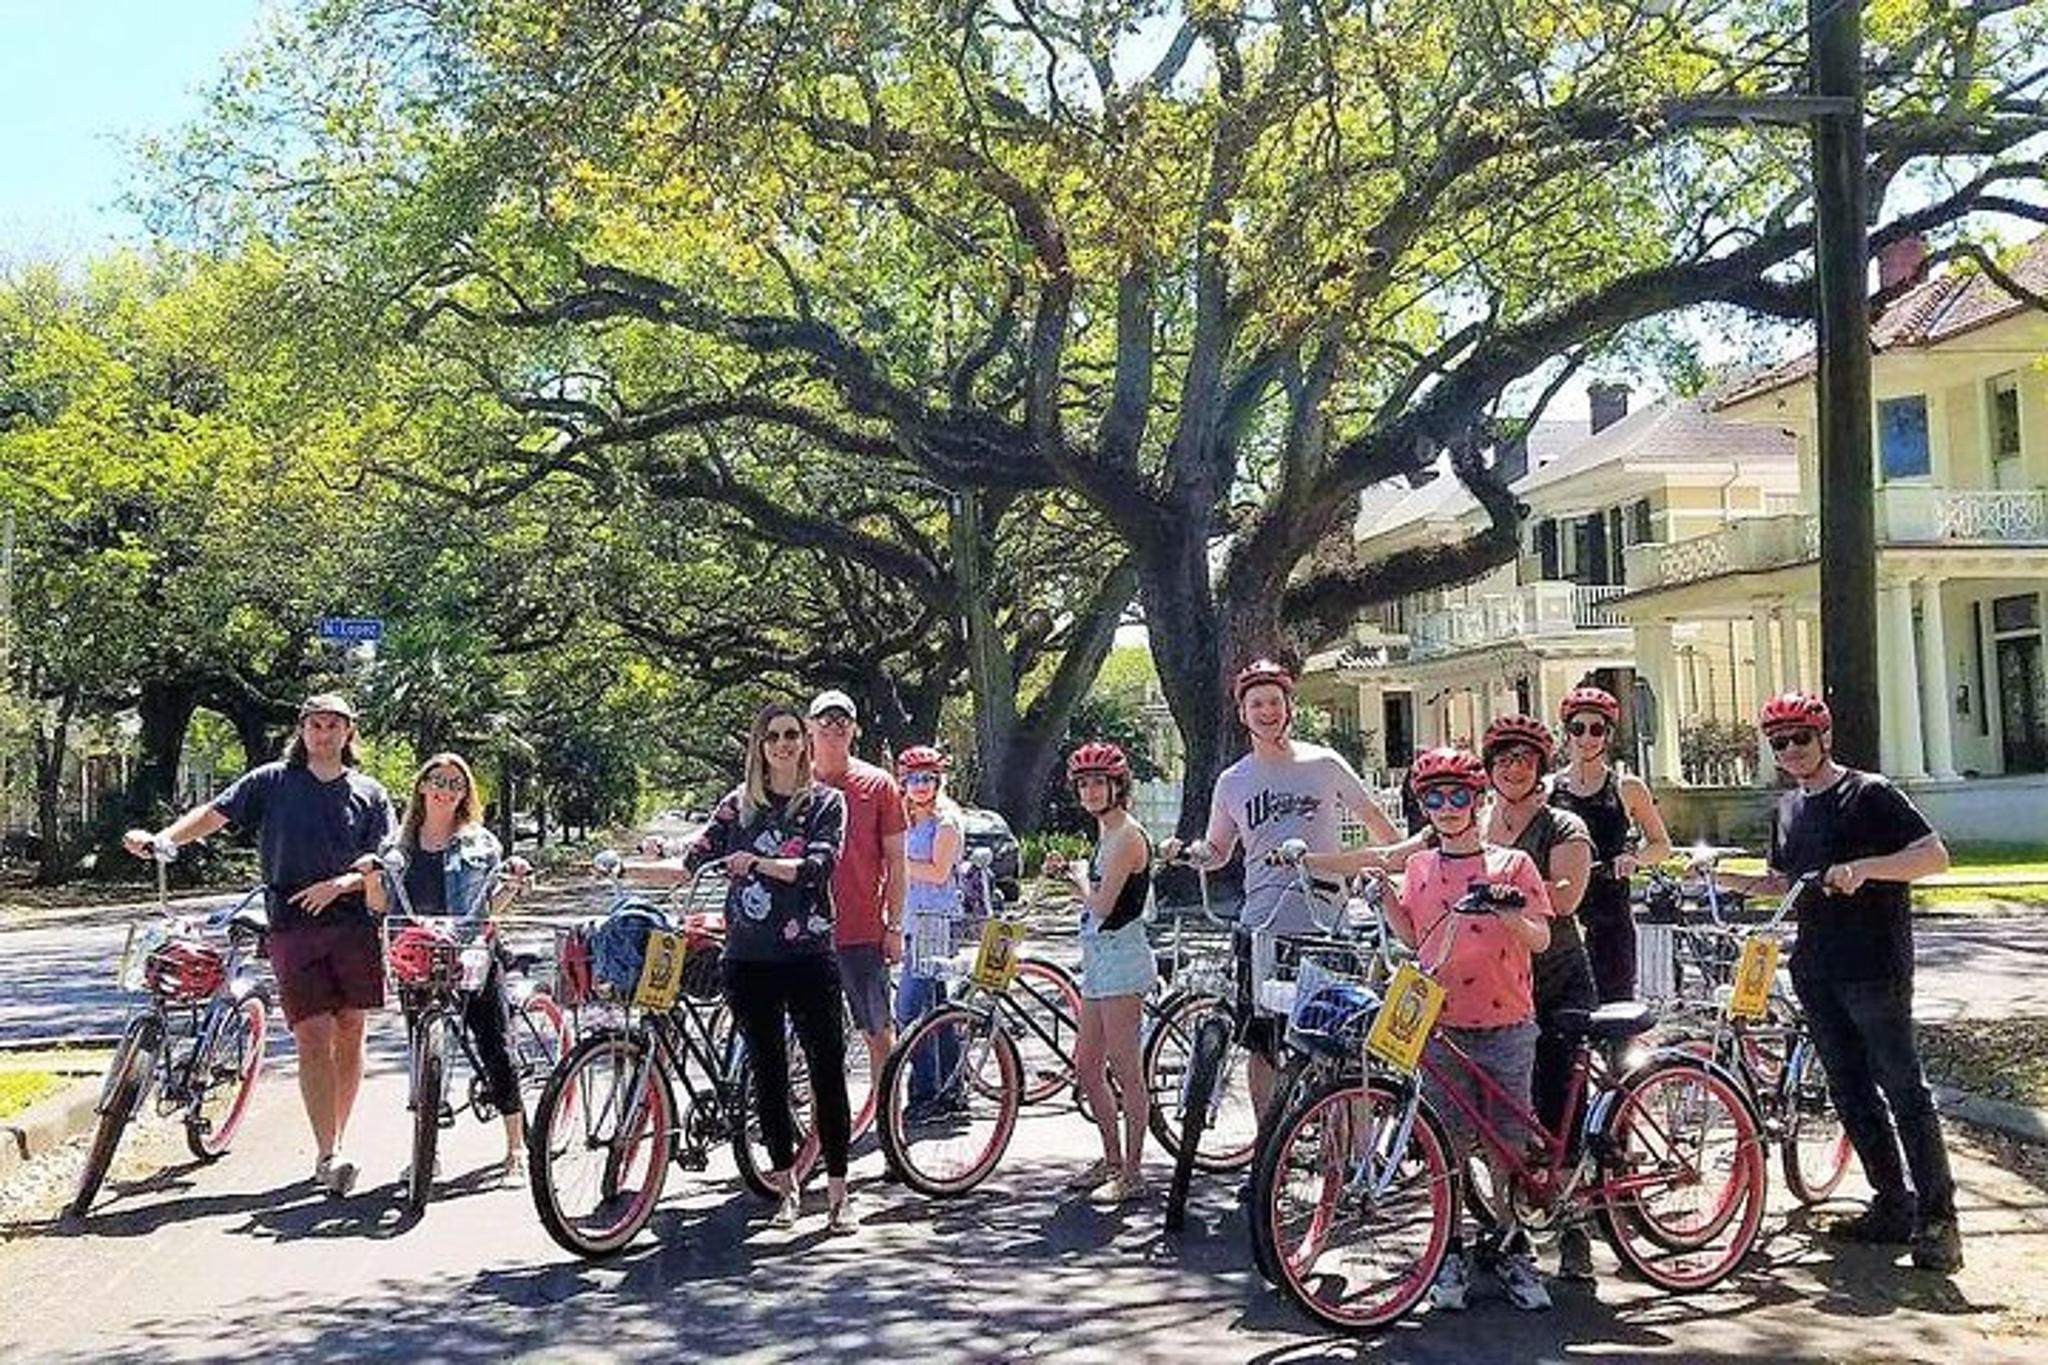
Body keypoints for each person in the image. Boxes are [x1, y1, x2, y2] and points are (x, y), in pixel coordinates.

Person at [1712, 692, 1961, 1273]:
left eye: (1801, 738)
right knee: (1849, 1091)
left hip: (1874, 965)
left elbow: (1933, 857)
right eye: (1780, 743)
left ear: (1824, 737)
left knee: (1904, 1089)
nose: (1792, 750)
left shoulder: (1868, 793)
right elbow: (1784, 882)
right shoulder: (1788, 809)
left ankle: (1938, 1218)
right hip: (1816, 969)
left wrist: (1866, 869)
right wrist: (1727, 880)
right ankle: (1891, 1204)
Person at [1310, 746, 1556, 1312]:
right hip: (1439, 1028)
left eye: (1460, 797)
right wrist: (1385, 899)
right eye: (1435, 799)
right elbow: (1414, 939)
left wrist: (1506, 912)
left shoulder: (1512, 865)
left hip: (1505, 1024)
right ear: (1422, 806)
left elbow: (1540, 938)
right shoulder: (1419, 866)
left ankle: (1515, 1249)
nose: (1448, 808)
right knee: (1447, 1148)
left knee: (1506, 1151)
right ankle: (1450, 1251)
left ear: (1478, 801)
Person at [124, 694, 395, 1198]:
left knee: (350, 1030)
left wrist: (341, 885)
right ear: (302, 729)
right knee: (312, 1034)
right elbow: (215, 813)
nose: (324, 733)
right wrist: (166, 839)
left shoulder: (370, 792)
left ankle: (339, 1136)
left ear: (349, 733)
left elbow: (385, 859)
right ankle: (327, 1153)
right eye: (315, 724)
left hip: (354, 924)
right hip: (291, 924)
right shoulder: (271, 781)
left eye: (334, 725)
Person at [1160, 658, 1402, 1124]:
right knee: (1263, 1043)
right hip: (1263, 926)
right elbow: (1218, 849)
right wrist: (1186, 853)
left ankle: (1349, 1161)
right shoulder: (1233, 781)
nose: (1266, 711)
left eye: (1274, 701)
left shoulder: (1324, 764)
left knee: (1341, 1046)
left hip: (1327, 924)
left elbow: (1376, 821)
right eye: (1256, 704)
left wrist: (1407, 865)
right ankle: (1269, 1146)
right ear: (1242, 713)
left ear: (1289, 706)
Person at [648, 702, 856, 1231]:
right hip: (748, 956)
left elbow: (818, 867)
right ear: (759, 747)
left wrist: (757, 864)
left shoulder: (826, 803)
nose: (784, 744)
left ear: (804, 743)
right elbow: (691, 861)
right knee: (767, 1073)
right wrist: (628, 865)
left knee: (827, 1070)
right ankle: (784, 1188)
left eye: (791, 735)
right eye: (773, 736)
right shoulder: (737, 806)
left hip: (808, 955)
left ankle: (837, 1192)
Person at [359, 751, 531, 1185]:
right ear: (421, 785)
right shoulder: (395, 847)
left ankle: (516, 1147)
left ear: (466, 793)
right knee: (422, 1054)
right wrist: (369, 879)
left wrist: (511, 886)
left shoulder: (482, 844)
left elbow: (490, 907)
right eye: (438, 780)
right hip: (416, 956)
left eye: (456, 783)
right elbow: (380, 908)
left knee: (495, 1043)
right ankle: (425, 1152)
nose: (445, 789)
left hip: (470, 953)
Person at [1480, 713, 1599, 1282]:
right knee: (1506, 1107)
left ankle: (1576, 1230)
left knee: (1559, 1106)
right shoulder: (1479, 822)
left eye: (1524, 759)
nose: (1513, 768)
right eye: (1503, 759)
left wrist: (1496, 893)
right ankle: (1509, 1222)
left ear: (1540, 766)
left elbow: (1567, 897)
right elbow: (1414, 856)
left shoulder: (1563, 826)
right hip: (1499, 983)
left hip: (1556, 979)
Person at [1045, 741, 1156, 1205]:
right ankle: (1111, 1159)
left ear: (1117, 786)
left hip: (1122, 960)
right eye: (1084, 784)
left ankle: (1133, 1170)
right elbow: (1096, 904)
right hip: (1099, 958)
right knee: (1087, 1065)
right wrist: (1071, 877)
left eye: (1099, 782)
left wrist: (1074, 879)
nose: (1091, 791)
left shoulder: (1128, 836)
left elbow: (1103, 905)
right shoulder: (1107, 833)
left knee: (1125, 1068)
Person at [805, 689, 908, 1124]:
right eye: (824, 721)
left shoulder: (877, 784)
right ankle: (819, 1132)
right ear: (810, 728)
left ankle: (889, 1125)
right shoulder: (794, 782)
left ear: (854, 729)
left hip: (862, 929)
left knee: (877, 1031)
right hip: (805, 931)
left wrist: (895, 925)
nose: (833, 728)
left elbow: (897, 862)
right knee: (814, 1036)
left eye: (842, 721)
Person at [1549, 684, 1671, 1003]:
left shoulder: (1627, 787)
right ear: (1567, 733)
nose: (1587, 738)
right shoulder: (1548, 790)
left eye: (1597, 729)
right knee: (1566, 1010)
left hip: (1611, 911)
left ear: (1608, 735)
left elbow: (1660, 844)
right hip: (1563, 912)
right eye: (1578, 728)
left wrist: (1635, 859)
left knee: (1617, 1008)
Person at [893, 746, 965, 1118]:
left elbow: (938, 872)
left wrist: (895, 863)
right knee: (937, 1009)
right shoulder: (907, 819)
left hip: (935, 921)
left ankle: (924, 1093)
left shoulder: (946, 821)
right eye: (912, 779)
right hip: (911, 920)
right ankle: (951, 1091)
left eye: (927, 779)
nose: (920, 786)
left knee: (907, 1010)